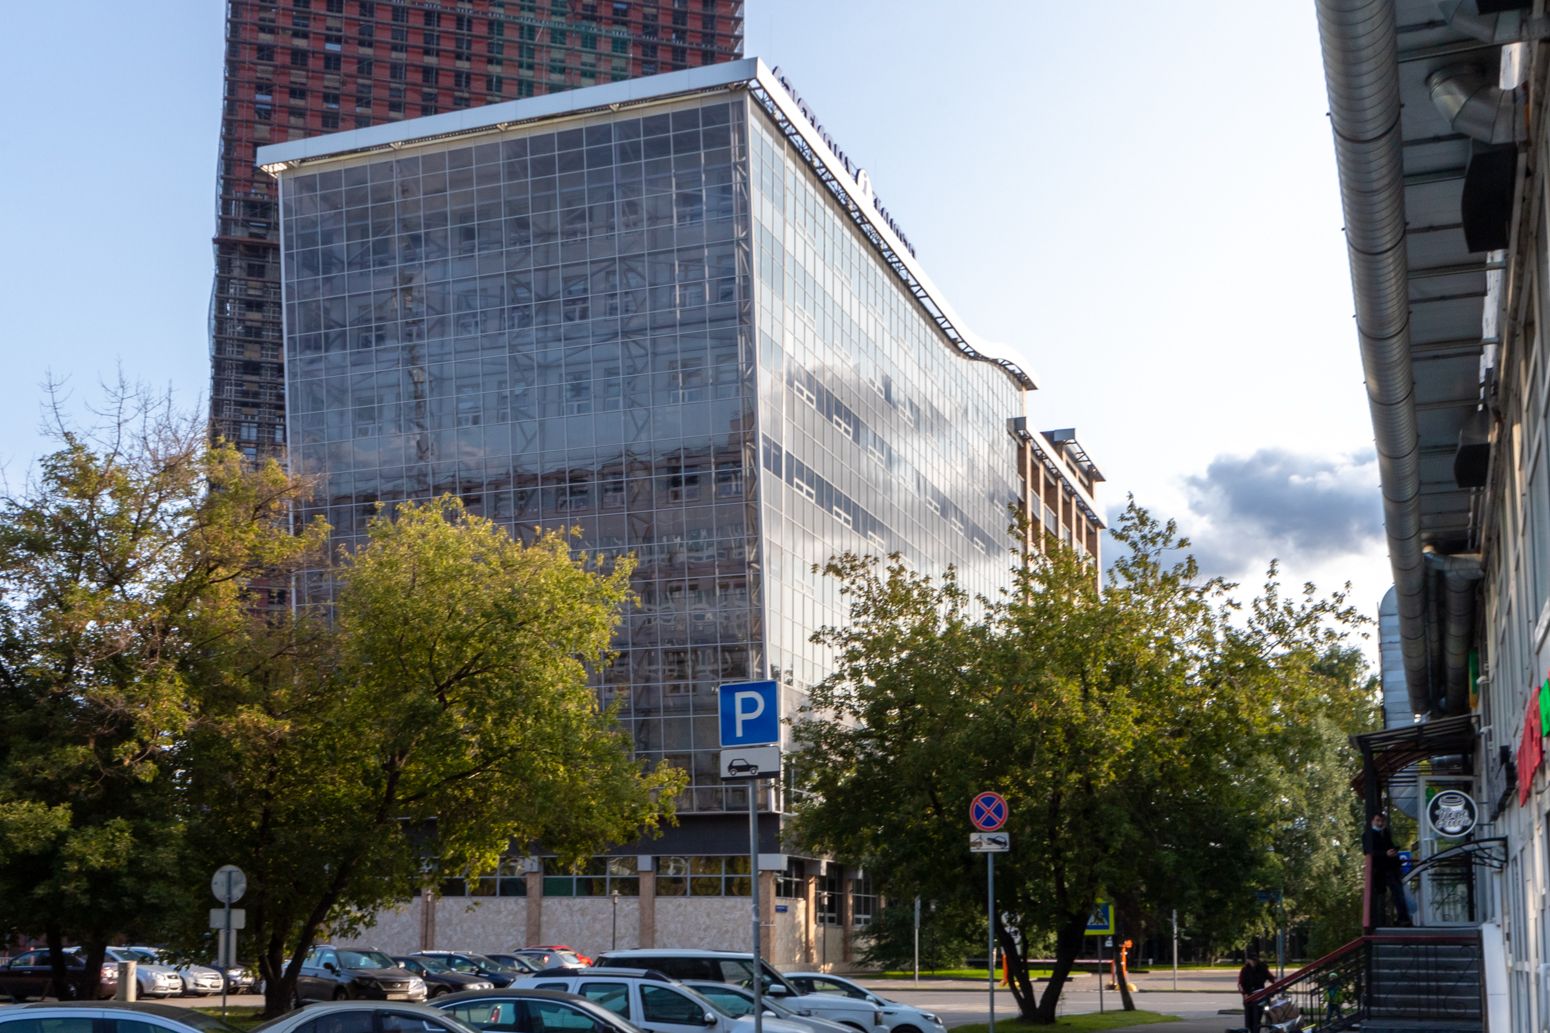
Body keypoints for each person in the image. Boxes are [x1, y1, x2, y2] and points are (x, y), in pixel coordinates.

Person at [1362, 811, 1413, 926]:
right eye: (1378, 821)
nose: (1380, 823)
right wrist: (1385, 854)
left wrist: (1393, 852)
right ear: (1372, 821)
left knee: (1398, 893)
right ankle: (1386, 920)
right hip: (1381, 869)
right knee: (1387, 894)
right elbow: (1368, 852)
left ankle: (1402, 919)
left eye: (1382, 821)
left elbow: (1389, 846)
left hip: (1392, 868)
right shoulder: (1367, 835)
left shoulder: (1385, 833)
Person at [1238, 949, 1273, 1033]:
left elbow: (1271, 977)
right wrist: (1244, 993)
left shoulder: (1262, 968)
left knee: (1257, 1018)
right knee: (1249, 1019)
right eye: (1252, 960)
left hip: (1260, 995)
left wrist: (1275, 985)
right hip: (1249, 996)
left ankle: (1256, 1030)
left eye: (1255, 960)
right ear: (1248, 960)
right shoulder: (1245, 970)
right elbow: (1240, 984)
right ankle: (1250, 1030)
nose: (1254, 962)